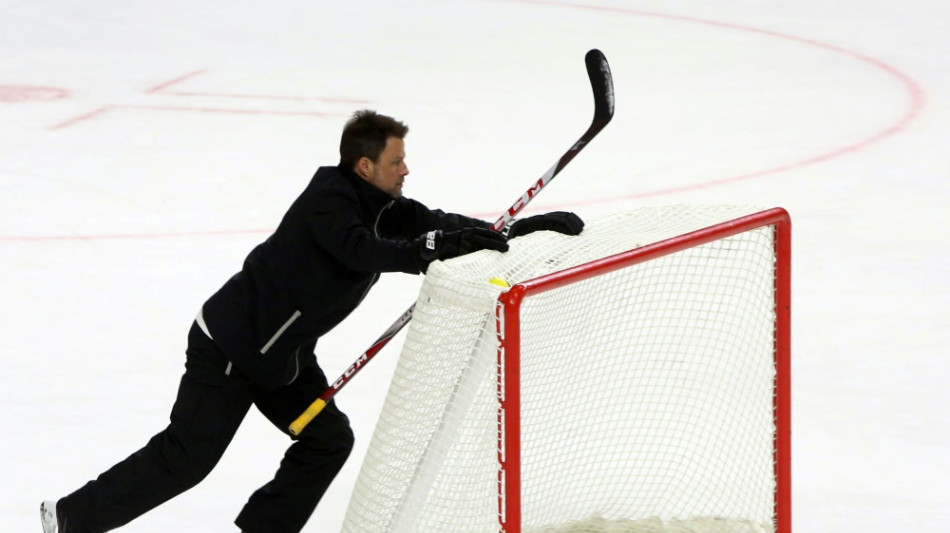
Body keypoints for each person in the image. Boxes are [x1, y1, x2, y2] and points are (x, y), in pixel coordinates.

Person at [40, 109, 584, 533]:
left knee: (327, 439)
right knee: (187, 459)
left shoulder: (387, 207)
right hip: (231, 347)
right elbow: (362, 251)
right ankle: (72, 519)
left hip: (283, 358)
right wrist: (426, 249)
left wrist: (521, 230)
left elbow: (443, 227)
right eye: (397, 162)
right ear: (365, 166)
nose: (406, 170)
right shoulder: (328, 202)